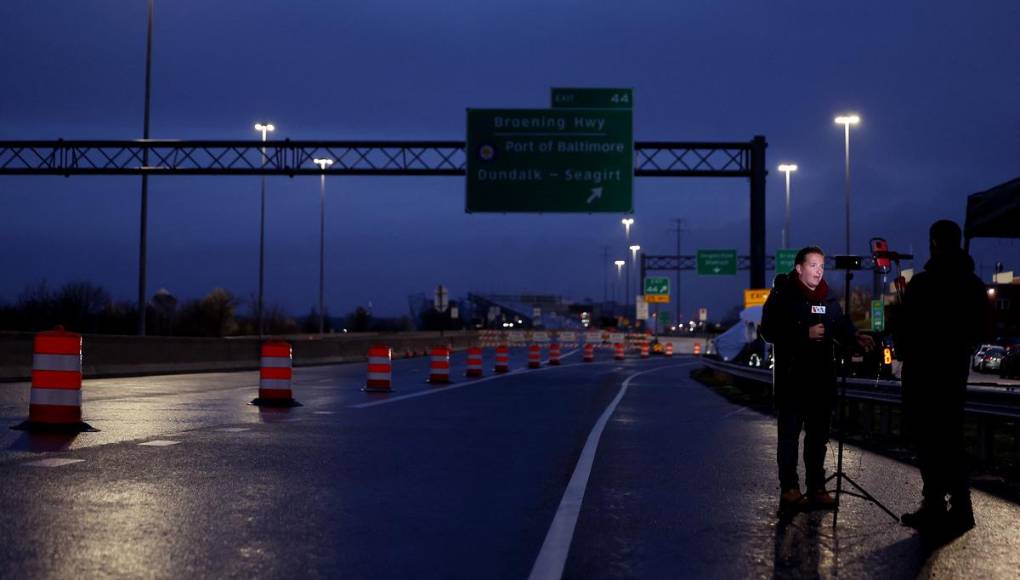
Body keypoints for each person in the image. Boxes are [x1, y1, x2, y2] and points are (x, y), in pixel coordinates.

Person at [760, 246, 874, 511]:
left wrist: (854, 337)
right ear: (799, 268)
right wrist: (803, 333)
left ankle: (817, 488)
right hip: (792, 380)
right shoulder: (782, 295)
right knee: (789, 436)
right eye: (813, 265)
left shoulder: (827, 298)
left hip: (821, 380)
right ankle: (789, 488)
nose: (819, 270)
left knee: (818, 437)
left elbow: (840, 325)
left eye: (821, 266)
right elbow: (768, 331)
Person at [893, 220, 988, 535]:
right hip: (953, 374)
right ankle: (960, 505)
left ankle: (934, 502)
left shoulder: (923, 284)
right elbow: (980, 331)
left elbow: (904, 338)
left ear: (933, 242)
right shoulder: (973, 285)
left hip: (923, 375)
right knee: (950, 438)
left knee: (928, 440)